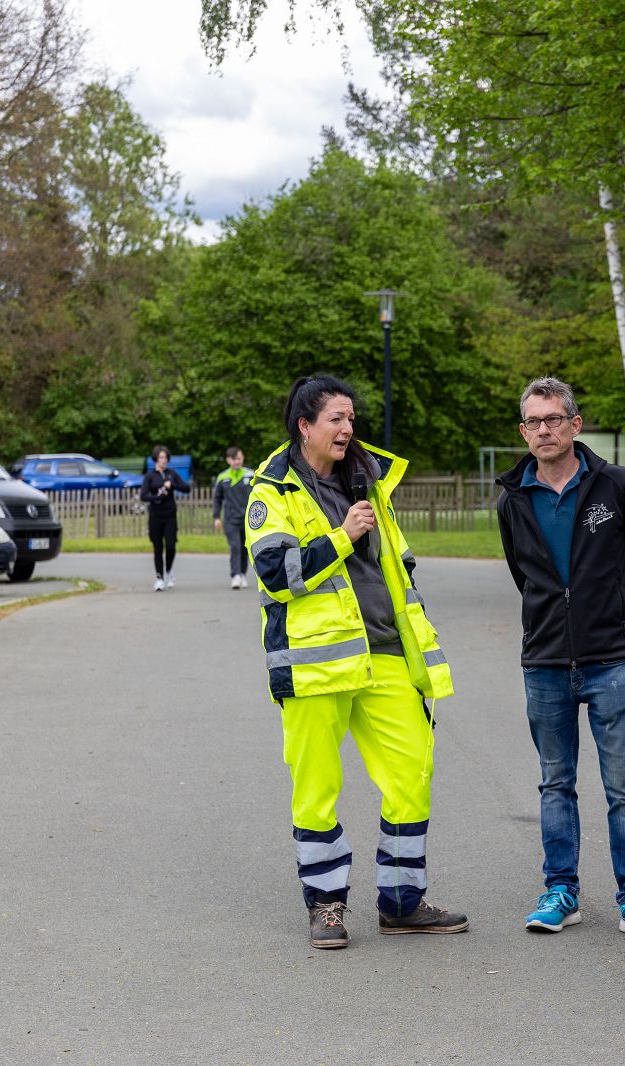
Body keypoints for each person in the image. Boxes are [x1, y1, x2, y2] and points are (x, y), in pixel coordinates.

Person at [247, 375, 464, 949]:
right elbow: (276, 574)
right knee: (317, 789)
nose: (348, 429)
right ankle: (326, 905)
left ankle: (402, 903)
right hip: (315, 665)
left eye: (351, 418)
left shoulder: (368, 478)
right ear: (305, 426)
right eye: (336, 419)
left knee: (412, 774)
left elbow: (398, 563)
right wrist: (342, 536)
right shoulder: (273, 490)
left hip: (385, 651)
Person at [495, 377, 625, 943]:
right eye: (533, 422)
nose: (543, 430)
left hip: (609, 659)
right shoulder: (513, 497)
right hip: (545, 661)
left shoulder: (616, 485)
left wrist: (616, 618)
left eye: (553, 419)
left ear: (575, 424)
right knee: (555, 783)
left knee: (624, 787)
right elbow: (523, 574)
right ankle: (560, 891)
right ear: (523, 431)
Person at [140, 446, 190, 591]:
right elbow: (143, 496)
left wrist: (172, 485)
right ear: (156, 459)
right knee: (157, 547)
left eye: (166, 457)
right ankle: (159, 578)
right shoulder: (150, 476)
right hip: (155, 516)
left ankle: (169, 570)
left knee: (170, 546)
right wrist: (158, 496)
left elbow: (186, 488)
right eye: (161, 457)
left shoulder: (172, 474)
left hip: (170, 516)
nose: (164, 460)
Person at [211, 447, 256, 590]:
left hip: (248, 519)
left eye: (239, 458)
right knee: (235, 546)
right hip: (230, 519)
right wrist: (216, 517)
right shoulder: (222, 477)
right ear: (228, 460)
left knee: (244, 548)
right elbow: (217, 499)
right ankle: (235, 575)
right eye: (234, 459)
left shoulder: (251, 474)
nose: (237, 461)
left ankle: (242, 574)